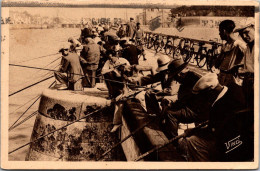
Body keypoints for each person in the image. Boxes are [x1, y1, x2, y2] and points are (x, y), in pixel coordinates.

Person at [176, 73, 253, 161]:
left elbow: (212, 133)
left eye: (204, 96)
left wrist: (193, 131)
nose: (204, 100)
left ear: (210, 90)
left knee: (192, 141)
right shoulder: (234, 87)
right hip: (244, 134)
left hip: (235, 143)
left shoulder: (218, 107)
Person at [101, 52, 131, 132]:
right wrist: (113, 69)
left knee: (120, 101)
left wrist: (124, 91)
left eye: (112, 58)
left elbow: (126, 81)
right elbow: (103, 72)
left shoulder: (124, 63)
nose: (111, 60)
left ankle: (117, 123)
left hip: (128, 86)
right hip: (120, 83)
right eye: (109, 58)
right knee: (118, 100)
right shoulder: (110, 62)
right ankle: (116, 122)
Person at [214, 20, 246, 86]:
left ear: (224, 31)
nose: (219, 34)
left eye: (220, 31)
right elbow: (217, 64)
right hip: (223, 78)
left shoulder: (239, 44)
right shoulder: (226, 45)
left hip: (232, 81)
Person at [234, 17, 255, 109]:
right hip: (248, 82)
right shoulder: (248, 46)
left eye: (247, 32)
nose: (244, 36)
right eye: (241, 34)